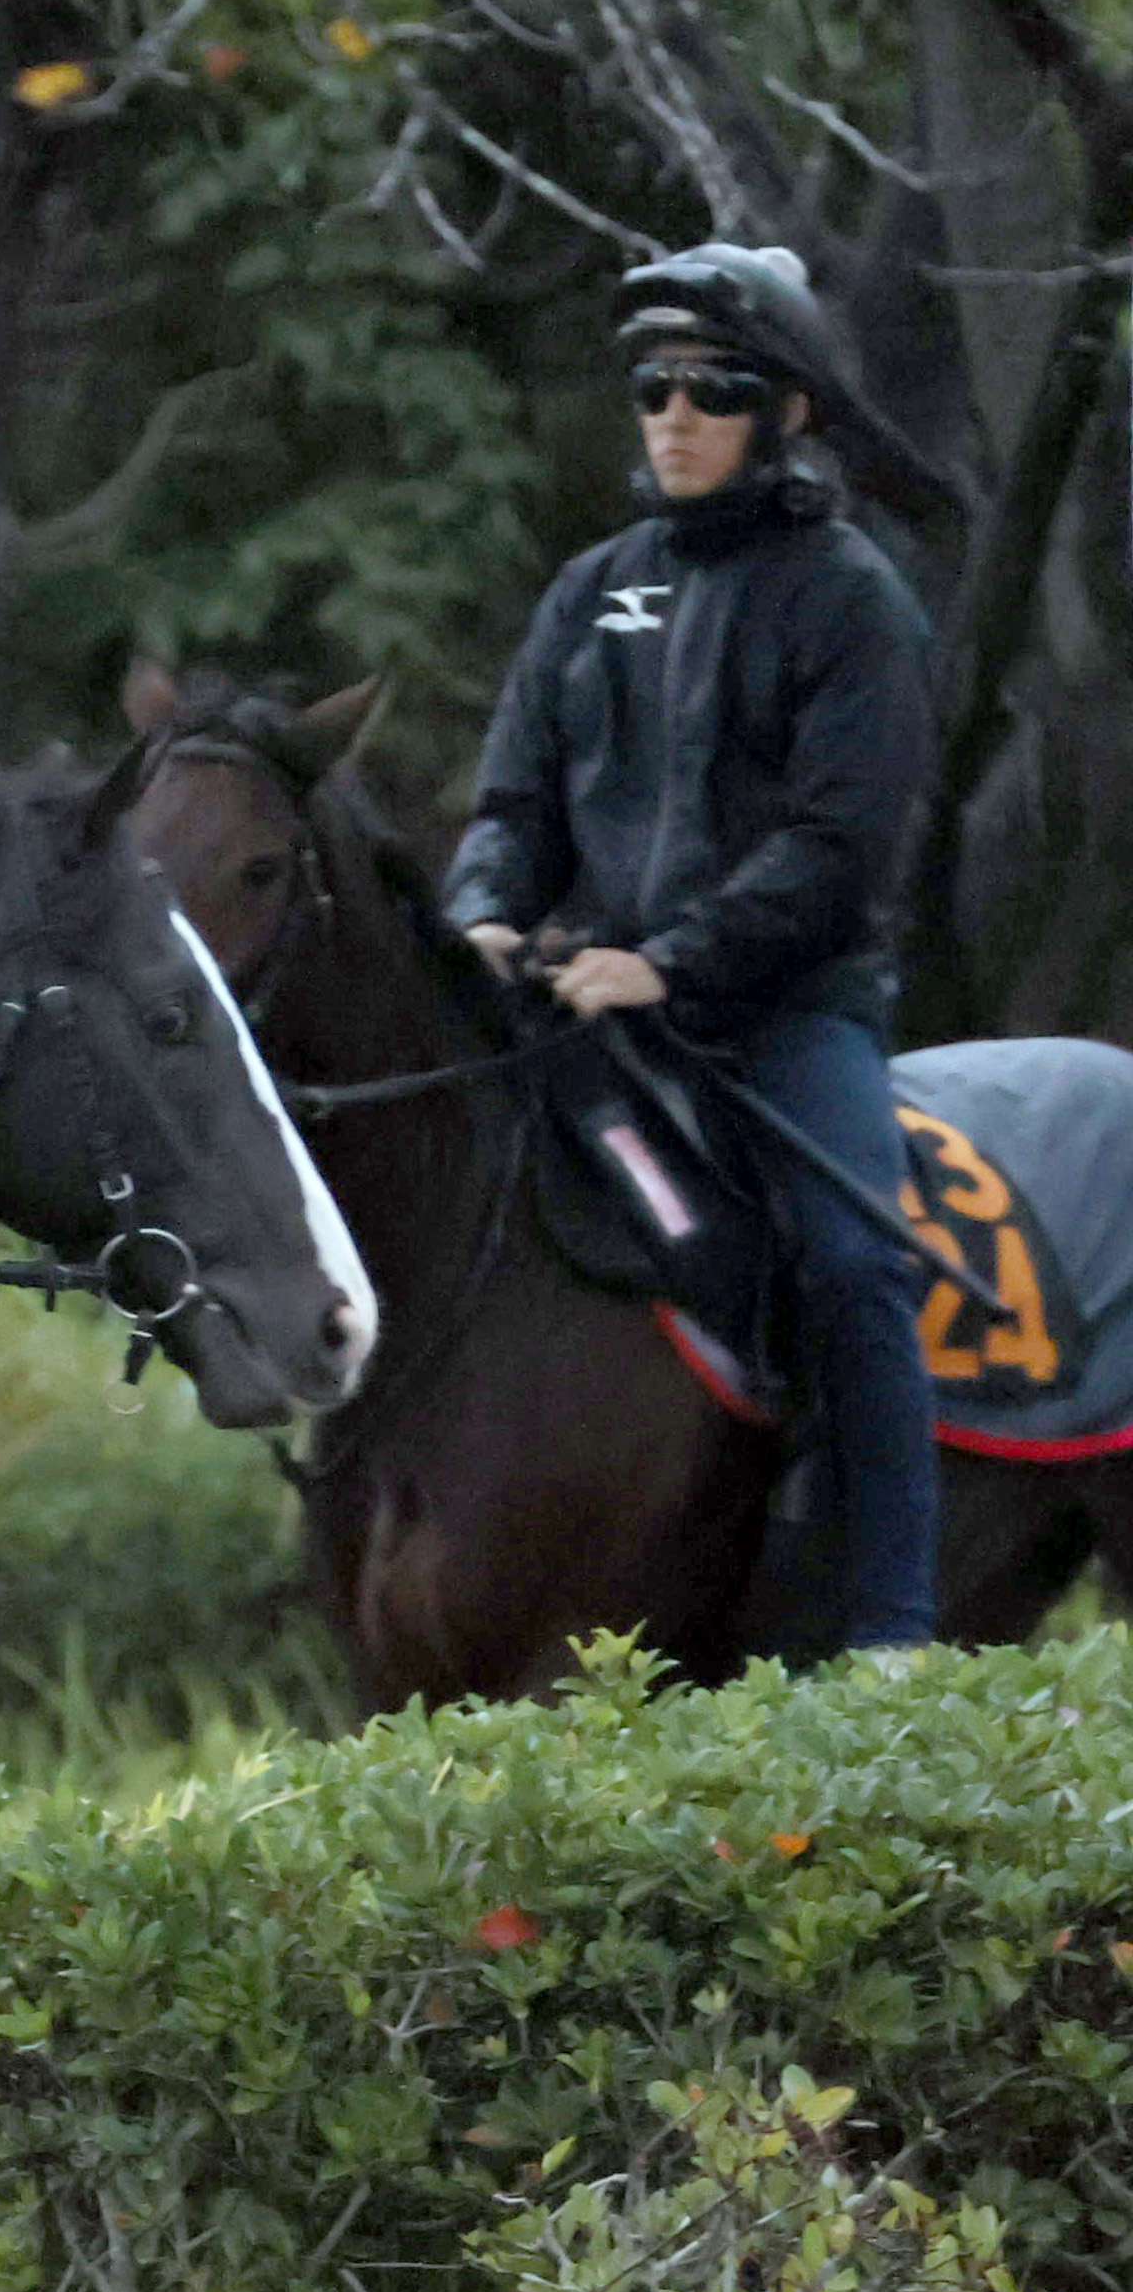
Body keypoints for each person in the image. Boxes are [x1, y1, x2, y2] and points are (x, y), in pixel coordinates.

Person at [441, 241, 941, 1657]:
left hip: (786, 1014)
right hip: (589, 1008)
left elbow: (843, 849)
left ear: (787, 412)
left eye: (713, 387)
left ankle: (893, 1626)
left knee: (855, 1265)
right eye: (652, 385)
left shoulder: (852, 596)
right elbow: (515, 804)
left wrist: (676, 960)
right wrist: (483, 906)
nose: (672, 415)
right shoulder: (589, 591)